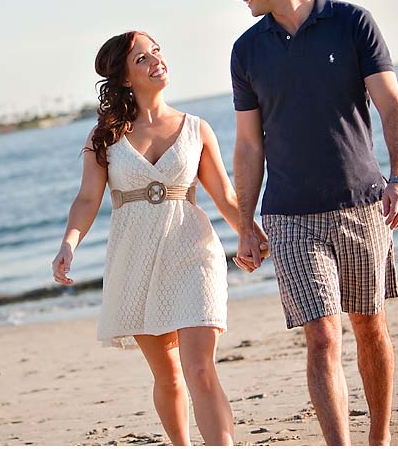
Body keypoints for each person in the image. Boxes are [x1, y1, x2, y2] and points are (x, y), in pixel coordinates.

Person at [219, 0, 398, 446]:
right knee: (323, 335)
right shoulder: (246, 51)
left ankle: (379, 437)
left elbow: (391, 106)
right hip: (289, 215)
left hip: (362, 204)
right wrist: (244, 224)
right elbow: (247, 145)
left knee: (369, 325)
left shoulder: (352, 23)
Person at [52, 30, 268, 446]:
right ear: (125, 78)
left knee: (200, 369)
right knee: (168, 377)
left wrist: (249, 233)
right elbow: (86, 199)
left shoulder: (196, 128)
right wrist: (69, 243)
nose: (156, 61)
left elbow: (223, 194)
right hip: (136, 261)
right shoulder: (105, 139)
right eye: (142, 59)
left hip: (193, 252)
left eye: (157, 52)